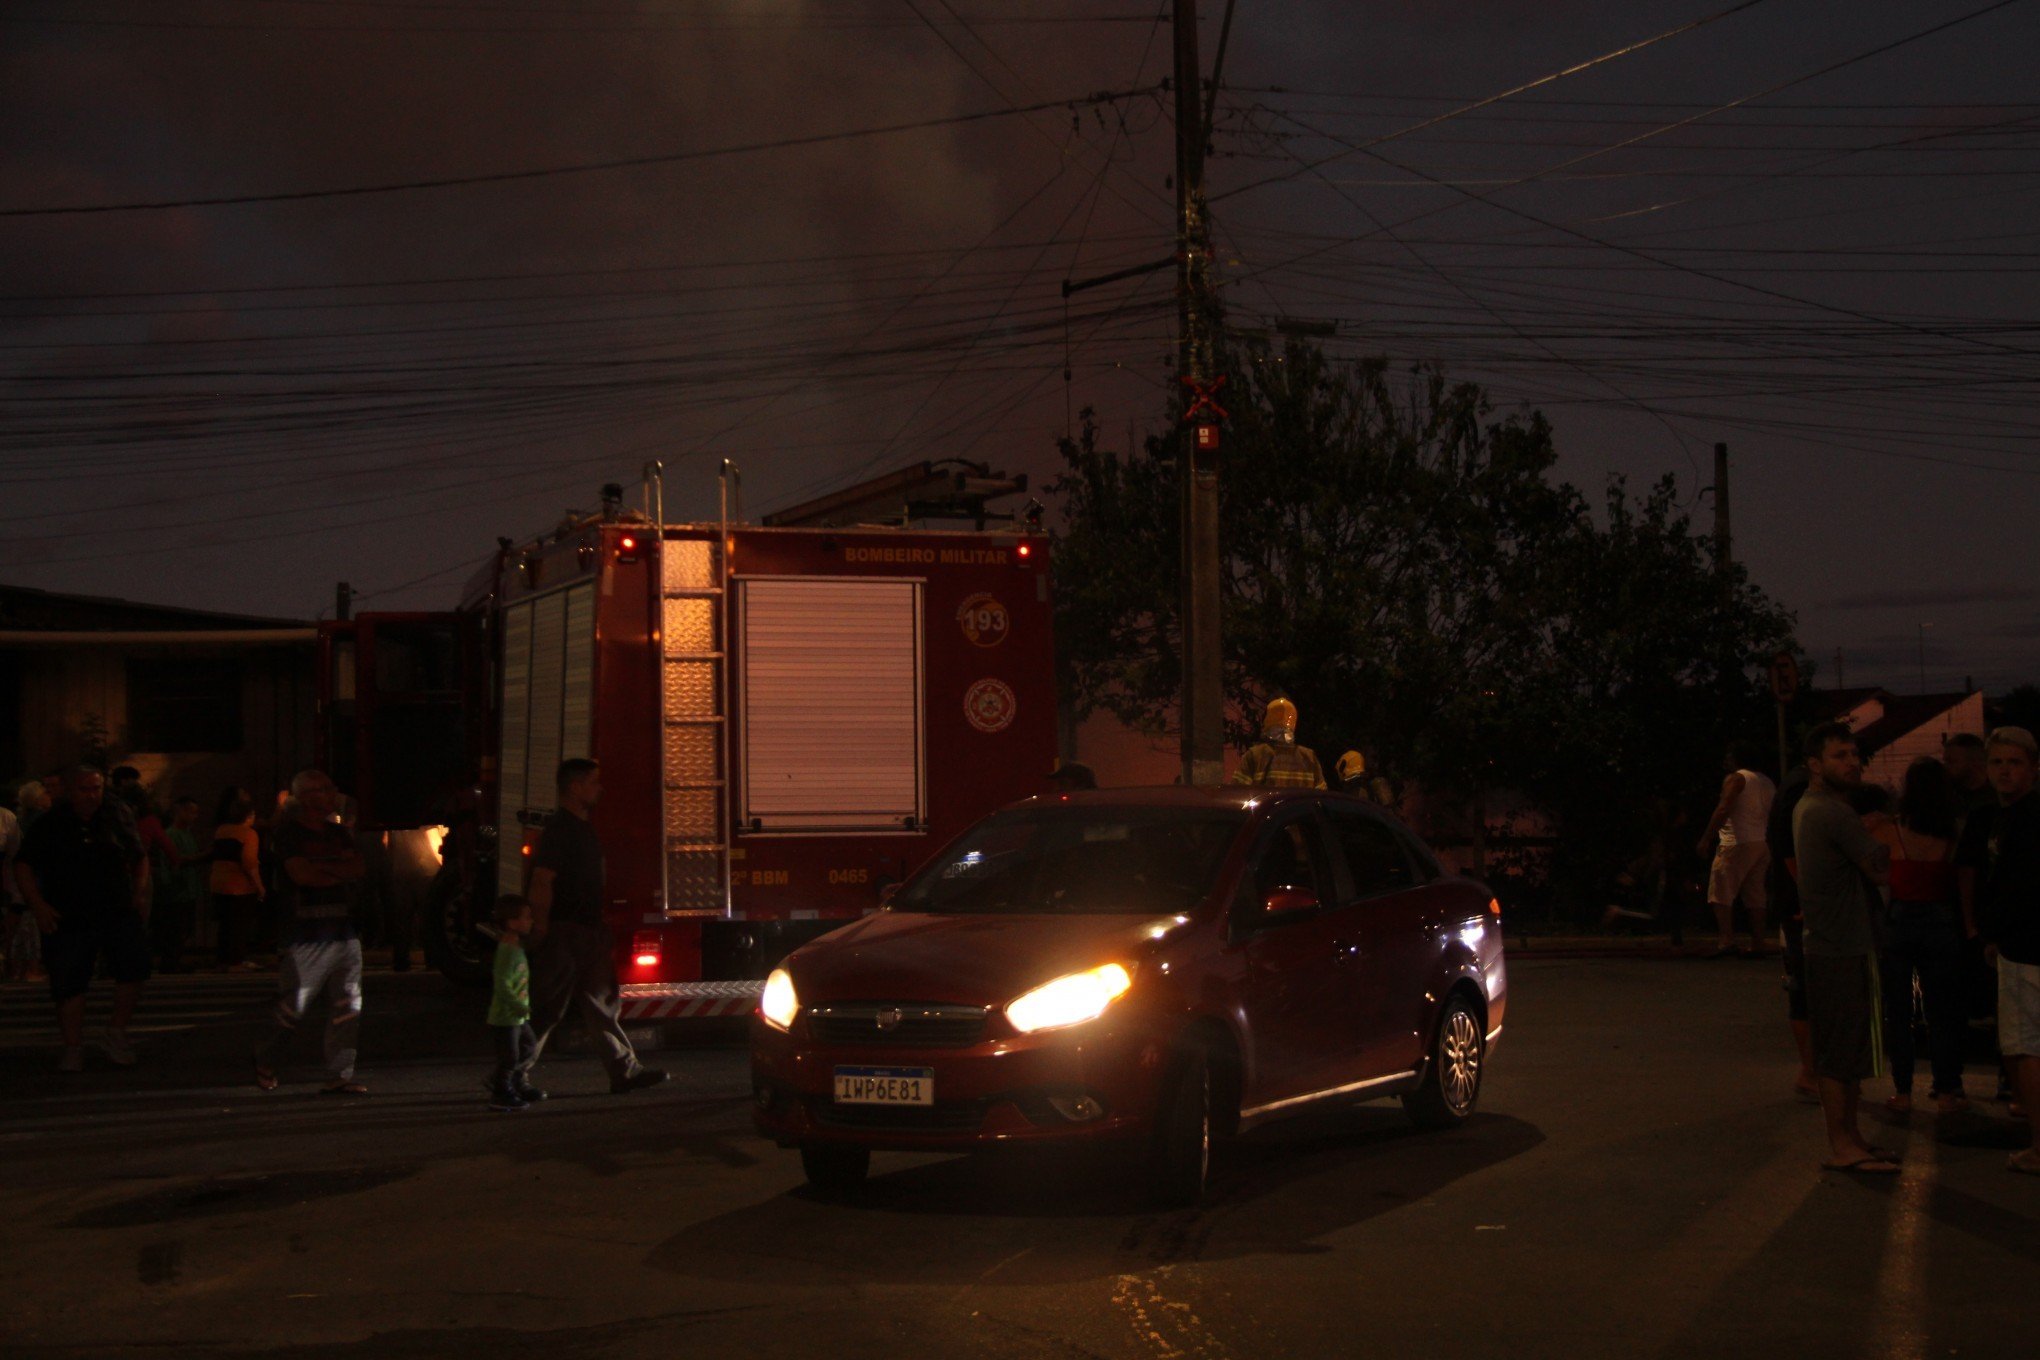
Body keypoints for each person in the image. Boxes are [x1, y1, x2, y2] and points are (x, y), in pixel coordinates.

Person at [520, 758, 667, 1094]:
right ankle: (511, 1074)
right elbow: (542, 880)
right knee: (547, 1009)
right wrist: (541, 929)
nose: (599, 788)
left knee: (602, 1004)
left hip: (587, 932)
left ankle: (624, 1072)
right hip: (566, 933)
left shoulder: (582, 827)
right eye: (592, 782)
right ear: (574, 787)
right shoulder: (561, 830)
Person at [1792, 723, 1896, 1174]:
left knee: (1849, 1050)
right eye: (1840, 755)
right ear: (1815, 765)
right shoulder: (1831, 813)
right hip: (1840, 946)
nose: (1852, 762)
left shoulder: (1818, 807)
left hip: (1835, 942)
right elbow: (1880, 869)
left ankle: (1851, 1137)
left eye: (1854, 754)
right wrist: (1884, 832)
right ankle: (1842, 1143)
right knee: (1839, 1051)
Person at [13, 766, 152, 1072]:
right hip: (70, 911)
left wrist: (139, 893)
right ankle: (73, 1045)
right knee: (69, 980)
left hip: (114, 907)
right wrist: (38, 905)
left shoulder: (115, 817)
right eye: (85, 789)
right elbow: (23, 864)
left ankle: (116, 1031)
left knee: (134, 966)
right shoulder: (51, 824)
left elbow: (139, 855)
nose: (92, 796)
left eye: (97, 789)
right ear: (70, 791)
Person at [254, 770, 368, 1096]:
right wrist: (337, 870)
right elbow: (302, 876)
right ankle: (266, 1058)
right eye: (323, 789)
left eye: (331, 787)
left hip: (343, 931)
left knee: (348, 1006)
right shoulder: (288, 834)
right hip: (305, 934)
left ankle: (340, 1075)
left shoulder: (339, 833)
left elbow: (358, 868)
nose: (332, 793)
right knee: (295, 1004)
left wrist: (324, 868)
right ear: (305, 797)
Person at [1958, 727, 2040, 1173]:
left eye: (2015, 762)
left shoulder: (2029, 818)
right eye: (1997, 762)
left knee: (2024, 1048)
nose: (2005, 771)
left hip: (2028, 948)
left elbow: (2022, 888)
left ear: (2033, 769)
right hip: (2014, 945)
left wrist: (1988, 929)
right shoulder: (2001, 816)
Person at [1875, 758, 1968, 1115]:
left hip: (1900, 920)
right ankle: (1947, 1088)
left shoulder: (1891, 828)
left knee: (1899, 1010)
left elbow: (1877, 872)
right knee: (1943, 1010)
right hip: (1940, 920)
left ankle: (1903, 1089)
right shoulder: (1952, 831)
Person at [1698, 740, 1776, 959]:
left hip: (1736, 841)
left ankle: (1726, 940)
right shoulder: (1766, 782)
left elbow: (1723, 808)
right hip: (1761, 842)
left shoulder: (1736, 779)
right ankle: (1758, 942)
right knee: (1755, 894)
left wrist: (1706, 838)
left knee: (1721, 890)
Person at [1766, 765, 1816, 1100]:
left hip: (1796, 899)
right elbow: (1786, 844)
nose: (1853, 763)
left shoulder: (1798, 786)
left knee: (1806, 984)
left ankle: (1813, 1070)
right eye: (1842, 755)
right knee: (1806, 985)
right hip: (1800, 903)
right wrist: (1804, 892)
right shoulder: (1802, 788)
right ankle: (1811, 1071)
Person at [485, 894, 541, 1112]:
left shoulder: (516, 947)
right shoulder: (507, 952)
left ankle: (515, 1082)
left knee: (529, 1047)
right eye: (526, 918)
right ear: (511, 922)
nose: (531, 921)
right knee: (509, 1056)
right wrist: (517, 1005)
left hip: (518, 1015)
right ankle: (500, 1091)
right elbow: (502, 983)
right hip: (506, 1016)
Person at [210, 788, 264, 971]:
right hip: (239, 886)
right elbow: (249, 863)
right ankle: (236, 960)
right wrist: (259, 887)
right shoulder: (249, 834)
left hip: (218, 883)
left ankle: (223, 959)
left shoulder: (222, 830)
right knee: (239, 926)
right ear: (248, 816)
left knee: (225, 925)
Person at [152, 797, 205, 973]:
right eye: (191, 811)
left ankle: (175, 960)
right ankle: (170, 962)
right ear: (179, 811)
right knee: (175, 928)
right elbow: (175, 859)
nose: (194, 816)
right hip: (176, 889)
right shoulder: (171, 834)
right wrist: (201, 857)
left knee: (185, 927)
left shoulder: (187, 833)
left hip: (188, 888)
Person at [1230, 698, 1327, 790]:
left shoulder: (1255, 755)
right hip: (1302, 808)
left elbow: (1237, 792)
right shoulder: (1309, 757)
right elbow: (1321, 796)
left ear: (1267, 720)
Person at [1944, 732, 1994, 819]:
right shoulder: (1949, 794)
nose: (1945, 766)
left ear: (1974, 761)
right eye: (1945, 761)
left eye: (1951, 761)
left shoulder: (1997, 799)